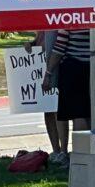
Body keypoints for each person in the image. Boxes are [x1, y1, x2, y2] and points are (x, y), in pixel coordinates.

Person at [27, 30, 66, 165]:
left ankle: (63, 151)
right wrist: (31, 45)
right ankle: (56, 149)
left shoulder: (55, 21)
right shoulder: (42, 25)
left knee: (58, 112)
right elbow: (39, 40)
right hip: (42, 67)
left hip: (56, 66)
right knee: (48, 111)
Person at [43, 28, 91, 132]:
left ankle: (80, 146)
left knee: (78, 114)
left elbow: (60, 46)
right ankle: (89, 145)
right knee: (89, 114)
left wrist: (48, 73)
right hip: (93, 67)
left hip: (73, 68)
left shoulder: (69, 17)